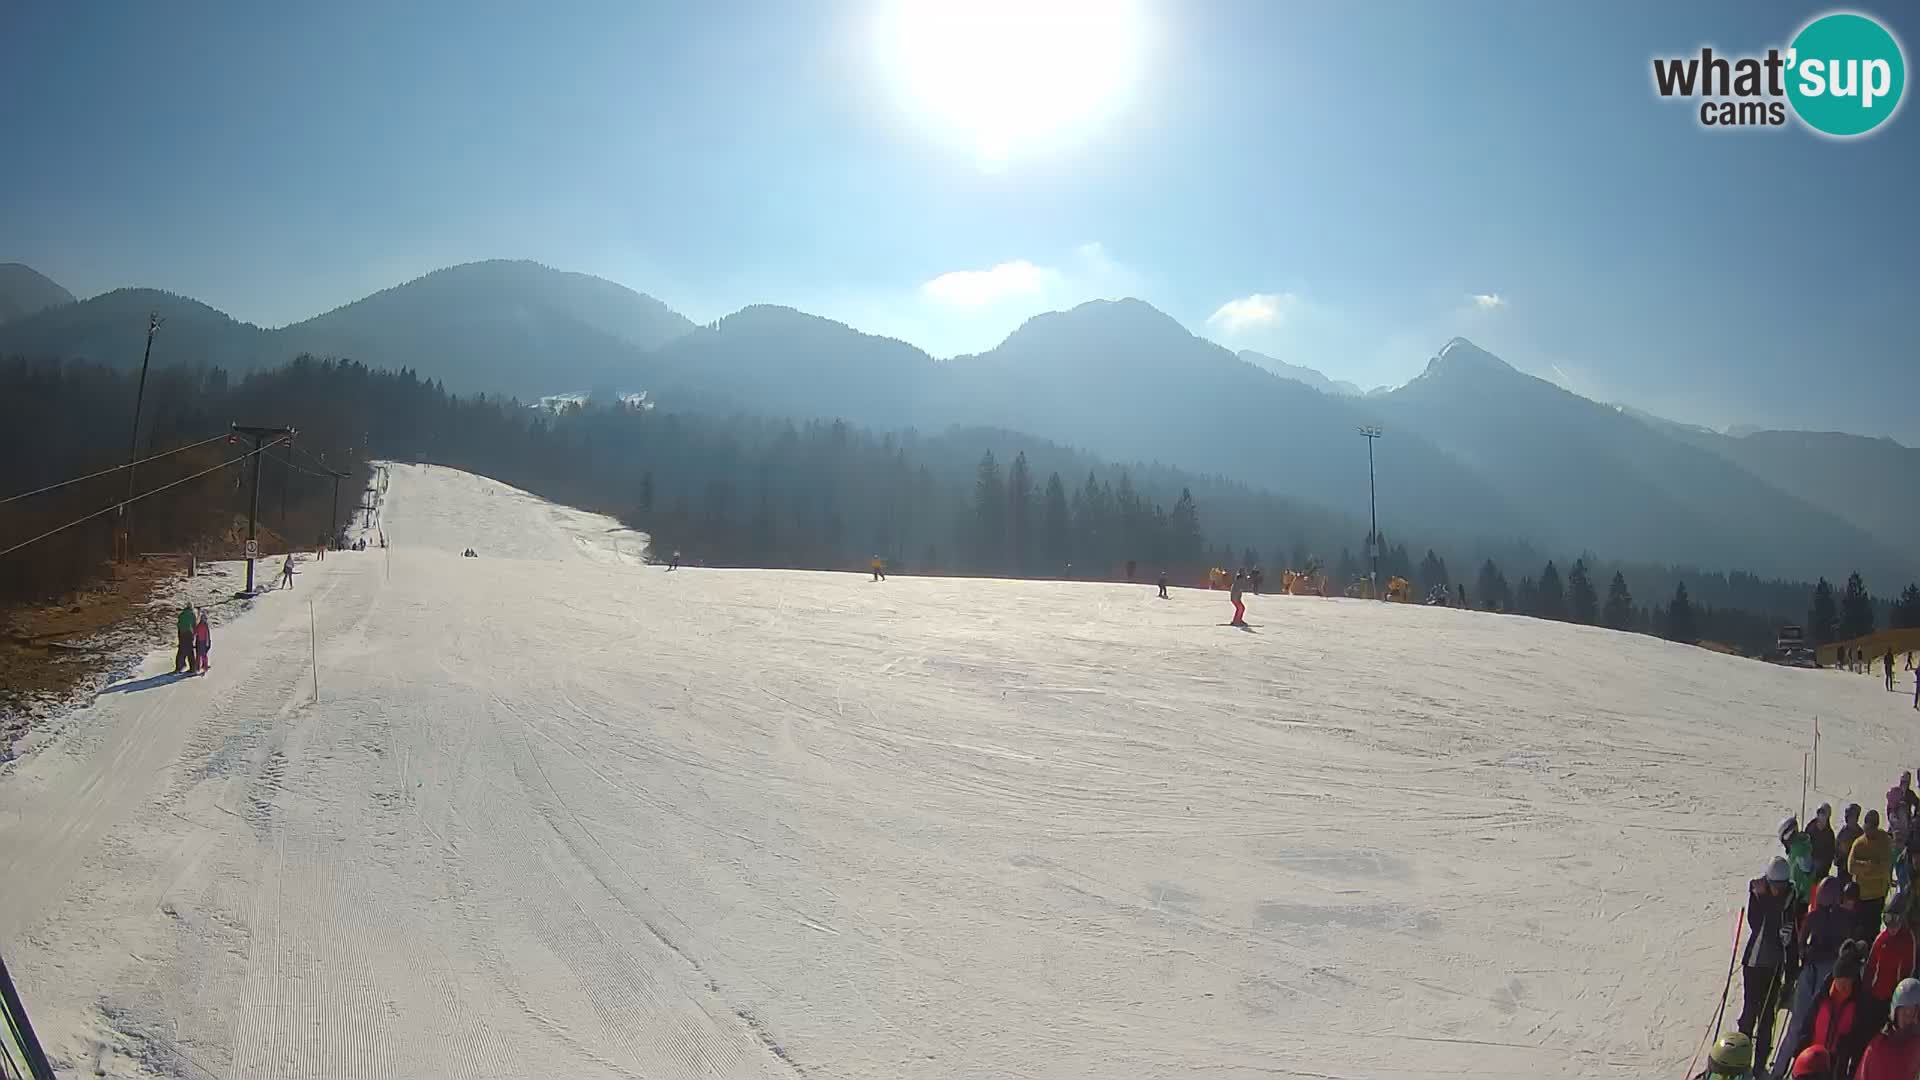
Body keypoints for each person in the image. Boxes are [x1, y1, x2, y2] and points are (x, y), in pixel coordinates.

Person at [1775, 878, 1854, 1075]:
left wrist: (1806, 954)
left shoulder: (1813, 917)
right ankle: (1811, 1069)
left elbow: (1801, 944)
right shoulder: (1846, 917)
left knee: (1798, 1023)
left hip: (1810, 969)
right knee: (1821, 1025)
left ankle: (1779, 1070)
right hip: (1830, 973)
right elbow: (1848, 947)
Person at [1741, 856, 1799, 1063]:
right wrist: (1765, 899)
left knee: (1767, 1018)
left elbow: (1793, 935)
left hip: (1774, 967)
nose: (1777, 889)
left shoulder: (1790, 896)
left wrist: (1792, 970)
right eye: (1774, 885)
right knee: (1750, 1012)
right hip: (1754, 963)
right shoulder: (1758, 894)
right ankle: (1741, 1058)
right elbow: (1756, 922)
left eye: (1781, 886)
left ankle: (1759, 1063)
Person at [1797, 940, 1867, 1079]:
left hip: (1836, 1064)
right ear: (1835, 978)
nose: (1844, 986)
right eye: (1841, 981)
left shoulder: (1856, 1003)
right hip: (1813, 1058)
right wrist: (1800, 1049)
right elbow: (1808, 1023)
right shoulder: (1823, 996)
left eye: (1848, 982)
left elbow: (1857, 1037)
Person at [1864, 891, 1916, 1057]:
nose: (1891, 926)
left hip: (1890, 1003)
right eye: (1887, 919)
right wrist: (1866, 992)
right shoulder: (1882, 938)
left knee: (1882, 1043)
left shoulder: (1907, 941)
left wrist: (1896, 1004)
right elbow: (1871, 966)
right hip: (1874, 997)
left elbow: (1908, 974)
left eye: (1895, 920)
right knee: (1866, 1038)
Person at [1854, 977, 1920, 1080]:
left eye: (1913, 1012)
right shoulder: (1877, 1047)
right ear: (1895, 1012)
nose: (1908, 1017)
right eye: (1904, 1011)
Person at [1853, 809, 1897, 938]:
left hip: (1878, 895)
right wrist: (1868, 866)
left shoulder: (1884, 841)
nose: (1868, 831)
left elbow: (1885, 867)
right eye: (1866, 827)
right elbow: (1851, 866)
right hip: (1862, 895)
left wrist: (1867, 872)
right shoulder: (1859, 843)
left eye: (1871, 827)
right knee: (1860, 929)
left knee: (1873, 929)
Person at [1783, 816, 1816, 908]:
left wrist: (1800, 895)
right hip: (1794, 894)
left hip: (1800, 899)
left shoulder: (1800, 851)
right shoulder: (1797, 848)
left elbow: (1807, 873)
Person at [1809, 804, 1838, 884]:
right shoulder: (1810, 827)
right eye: (1820, 813)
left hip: (1822, 871)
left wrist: (1824, 869)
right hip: (1809, 868)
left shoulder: (1829, 834)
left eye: (1824, 814)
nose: (1821, 816)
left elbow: (1830, 854)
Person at [1839, 805, 1866, 888]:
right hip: (1843, 867)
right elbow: (1837, 848)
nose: (1851, 820)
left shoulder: (1860, 833)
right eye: (1850, 817)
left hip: (1855, 868)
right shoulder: (1843, 832)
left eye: (1853, 817)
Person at [173, 604, 197, 674]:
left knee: (181, 651)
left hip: (181, 634)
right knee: (190, 651)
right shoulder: (192, 614)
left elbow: (178, 624)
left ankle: (179, 667)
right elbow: (194, 625)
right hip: (188, 634)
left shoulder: (181, 614)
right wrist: (194, 635)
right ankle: (193, 668)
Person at [193, 610, 210, 675]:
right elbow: (196, 632)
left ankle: (201, 666)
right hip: (201, 641)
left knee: (201, 655)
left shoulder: (202, 625)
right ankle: (201, 667)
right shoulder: (202, 625)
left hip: (201, 641)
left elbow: (196, 632)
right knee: (202, 655)